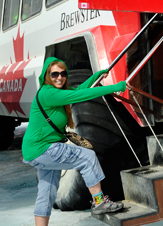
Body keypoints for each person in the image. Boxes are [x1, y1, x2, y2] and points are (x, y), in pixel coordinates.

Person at [22, 57, 130, 225]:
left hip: (35, 152)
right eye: (55, 74)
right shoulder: (47, 93)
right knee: (87, 157)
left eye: (63, 73)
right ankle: (100, 202)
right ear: (46, 76)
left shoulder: (54, 93)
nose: (59, 77)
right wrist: (115, 87)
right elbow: (80, 95)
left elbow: (78, 91)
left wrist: (95, 78)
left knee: (47, 193)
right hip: (43, 149)